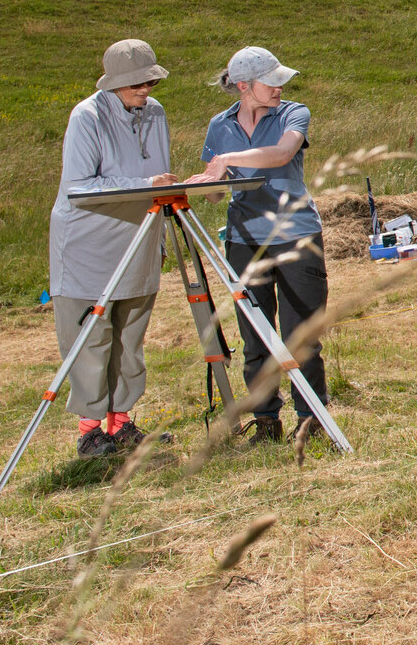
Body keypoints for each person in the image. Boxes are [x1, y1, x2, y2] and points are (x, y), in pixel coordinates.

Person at [184, 47, 328, 445]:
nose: (281, 86)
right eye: (272, 81)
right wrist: (208, 183)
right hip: (244, 241)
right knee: (255, 339)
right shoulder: (220, 125)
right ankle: (266, 420)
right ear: (245, 86)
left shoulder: (294, 113)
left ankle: (312, 418)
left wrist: (229, 157)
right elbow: (216, 197)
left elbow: (282, 154)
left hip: (296, 235)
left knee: (302, 335)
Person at [50, 39, 177, 458]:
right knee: (91, 336)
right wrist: (144, 187)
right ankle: (90, 432)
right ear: (114, 82)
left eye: (150, 80)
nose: (146, 89)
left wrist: (158, 237)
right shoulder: (86, 116)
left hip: (139, 237)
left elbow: (161, 179)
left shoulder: (154, 113)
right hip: (90, 243)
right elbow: (80, 188)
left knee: (129, 336)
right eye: (137, 82)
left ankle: (121, 423)